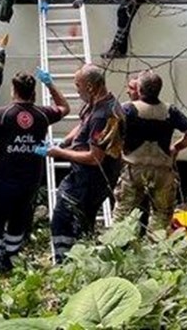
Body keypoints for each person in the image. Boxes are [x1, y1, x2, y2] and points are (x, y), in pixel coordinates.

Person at [0, 70, 70, 273]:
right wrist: (50, 84)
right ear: (33, 91)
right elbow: (64, 107)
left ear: (13, 90)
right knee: (18, 221)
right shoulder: (42, 115)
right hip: (30, 182)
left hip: (4, 180)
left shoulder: (2, 114)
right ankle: (11, 262)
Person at [40, 65, 124, 261]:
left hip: (91, 180)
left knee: (63, 220)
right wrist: (66, 141)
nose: (76, 90)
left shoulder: (104, 115)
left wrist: (60, 152)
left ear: (90, 86)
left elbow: (95, 158)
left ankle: (65, 262)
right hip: (85, 177)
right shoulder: (95, 105)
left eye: (78, 86)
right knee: (83, 221)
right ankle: (81, 259)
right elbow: (82, 124)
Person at [112, 71, 187, 233]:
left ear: (139, 89)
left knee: (123, 213)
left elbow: (112, 135)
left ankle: (118, 248)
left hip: (134, 169)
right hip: (162, 170)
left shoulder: (127, 109)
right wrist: (176, 148)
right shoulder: (170, 111)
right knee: (162, 214)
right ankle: (155, 247)